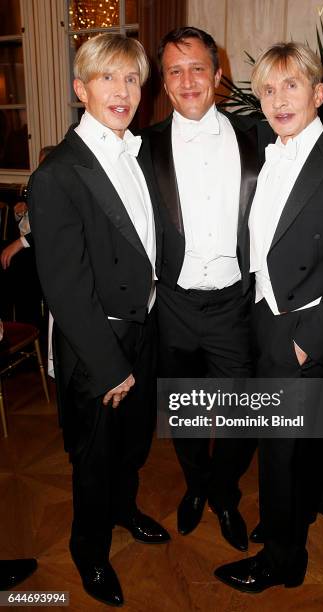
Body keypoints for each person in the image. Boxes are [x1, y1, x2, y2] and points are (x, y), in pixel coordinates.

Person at [214, 41, 323, 593]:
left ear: (318, 92)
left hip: (307, 329)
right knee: (295, 447)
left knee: (282, 450)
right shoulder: (264, 150)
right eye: (267, 88)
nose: (277, 99)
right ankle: (290, 520)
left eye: (291, 85)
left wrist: (308, 340)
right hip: (263, 318)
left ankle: (282, 562)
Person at [28, 33, 169, 607]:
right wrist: (110, 364)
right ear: (79, 88)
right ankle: (89, 552)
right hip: (98, 341)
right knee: (93, 456)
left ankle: (124, 508)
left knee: (132, 443)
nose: (123, 90)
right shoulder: (59, 173)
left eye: (132, 78)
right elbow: (65, 287)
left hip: (145, 325)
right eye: (108, 78)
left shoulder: (135, 153)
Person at [137, 27, 270, 553]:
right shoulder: (141, 146)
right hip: (172, 303)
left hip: (235, 302)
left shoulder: (258, 136)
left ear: (218, 76)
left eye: (197, 68)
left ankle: (223, 492)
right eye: (175, 70)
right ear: (164, 84)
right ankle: (196, 485)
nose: (187, 80)